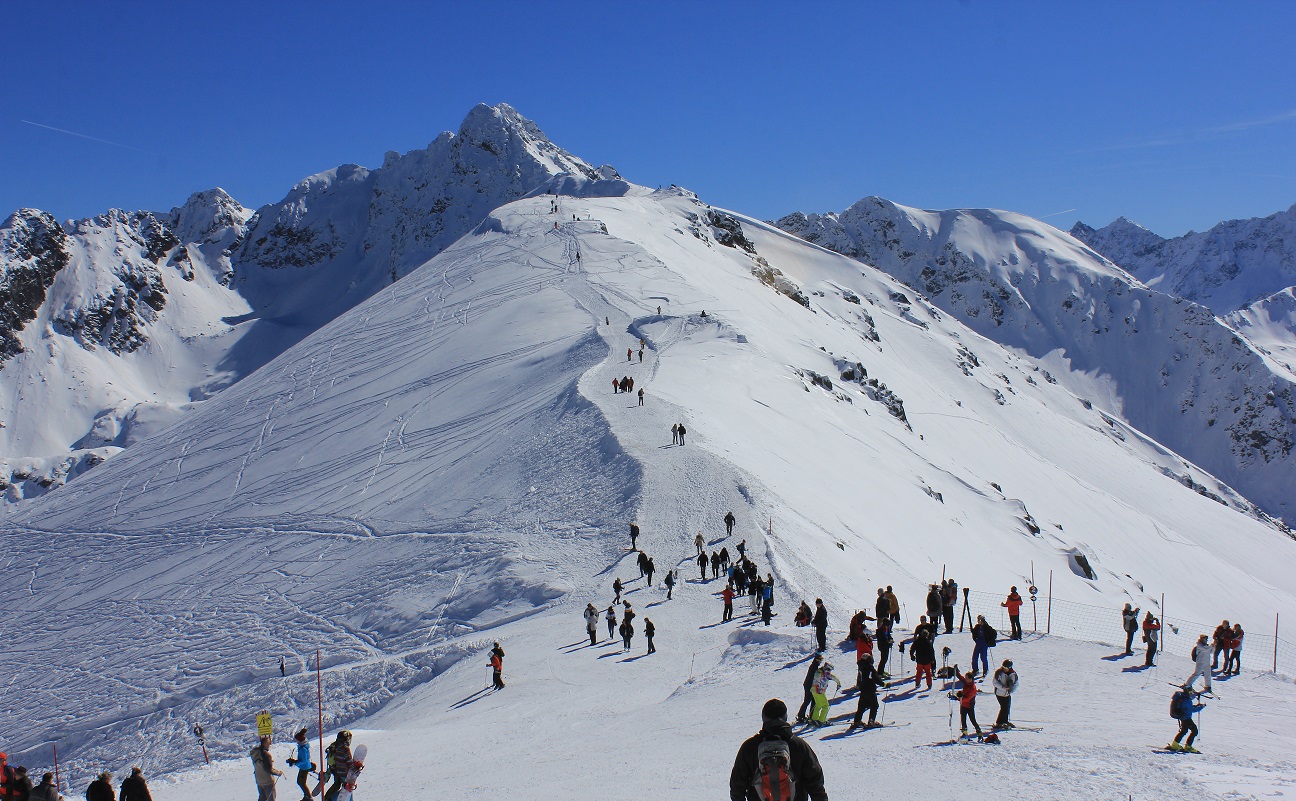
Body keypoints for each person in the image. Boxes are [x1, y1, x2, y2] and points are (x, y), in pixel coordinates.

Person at [729, 699, 828, 801]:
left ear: (763, 718)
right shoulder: (799, 745)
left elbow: (737, 785)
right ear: (785, 717)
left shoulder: (749, 747)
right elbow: (815, 781)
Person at [849, 654, 885, 730]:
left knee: (861, 707)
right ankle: (871, 722)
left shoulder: (861, 667)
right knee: (874, 705)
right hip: (870, 689)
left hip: (863, 690)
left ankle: (857, 721)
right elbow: (875, 679)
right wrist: (884, 684)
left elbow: (859, 679)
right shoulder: (869, 668)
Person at [1167, 684, 1205, 752]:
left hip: (1182, 716)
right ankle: (1188, 747)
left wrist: (1197, 706)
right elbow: (1192, 709)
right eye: (1191, 691)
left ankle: (1175, 745)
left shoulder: (1182, 697)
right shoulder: (1186, 699)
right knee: (1194, 731)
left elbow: (1188, 707)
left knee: (1184, 731)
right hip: (1186, 717)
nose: (1191, 693)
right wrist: (1201, 707)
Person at [809, 661, 842, 726]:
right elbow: (833, 677)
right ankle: (821, 720)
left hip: (814, 690)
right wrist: (838, 683)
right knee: (826, 706)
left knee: (818, 705)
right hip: (819, 691)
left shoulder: (818, 671)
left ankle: (814, 719)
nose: (830, 671)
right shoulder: (825, 673)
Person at [322, 731, 352, 801]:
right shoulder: (345, 749)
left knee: (337, 785)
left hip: (337, 771)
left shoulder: (337, 747)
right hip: (345, 773)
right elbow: (349, 762)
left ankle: (328, 797)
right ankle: (331, 799)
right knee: (348, 790)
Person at [251, 735, 283, 801]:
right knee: (271, 798)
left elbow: (260, 764)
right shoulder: (266, 755)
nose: (269, 745)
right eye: (268, 744)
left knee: (262, 798)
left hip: (259, 780)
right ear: (266, 744)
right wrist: (278, 773)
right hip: (267, 781)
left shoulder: (255, 753)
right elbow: (269, 769)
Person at [795, 653, 823, 723]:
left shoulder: (814, 666)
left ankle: (812, 715)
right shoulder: (814, 667)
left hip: (810, 685)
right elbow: (814, 676)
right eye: (820, 660)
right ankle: (801, 715)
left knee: (813, 700)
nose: (820, 662)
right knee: (807, 700)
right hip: (809, 686)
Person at [955, 671, 984, 737]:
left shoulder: (973, 688)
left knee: (972, 720)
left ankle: (979, 732)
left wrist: (958, 699)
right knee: (963, 719)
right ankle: (965, 733)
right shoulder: (966, 683)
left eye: (967, 678)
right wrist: (956, 672)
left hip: (969, 706)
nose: (965, 679)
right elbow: (961, 678)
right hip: (963, 705)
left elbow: (967, 698)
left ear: (971, 679)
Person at [992, 659, 1018, 729]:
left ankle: (1005, 721)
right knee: (1004, 707)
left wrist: (1011, 690)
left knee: (1007, 707)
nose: (1004, 669)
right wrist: (1003, 687)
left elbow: (1016, 684)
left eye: (1006, 668)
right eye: (1003, 667)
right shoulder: (999, 672)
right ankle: (999, 723)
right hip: (999, 693)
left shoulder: (1013, 674)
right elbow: (995, 683)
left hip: (1007, 694)